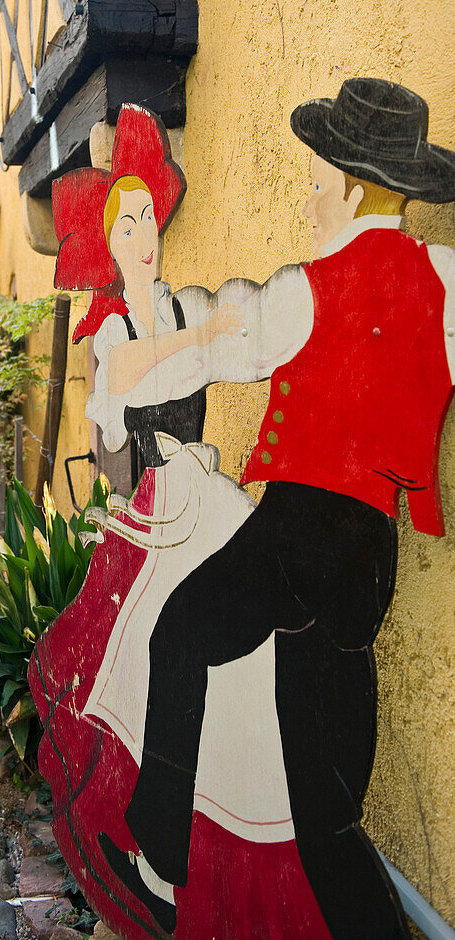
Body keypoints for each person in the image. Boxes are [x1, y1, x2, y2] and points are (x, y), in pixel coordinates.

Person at [93, 79, 455, 939]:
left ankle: (159, 870)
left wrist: (137, 368)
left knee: (177, 636)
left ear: (354, 187)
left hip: (294, 532)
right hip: (370, 548)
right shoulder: (443, 280)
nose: (309, 193)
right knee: (325, 806)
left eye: (320, 179)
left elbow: (220, 342)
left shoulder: (306, 287)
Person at [30, 105, 334, 940]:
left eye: (148, 218)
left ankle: (234, 865)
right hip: (159, 505)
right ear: (109, 243)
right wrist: (199, 332)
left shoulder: (182, 304)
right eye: (126, 225)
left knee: (245, 674)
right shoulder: (115, 332)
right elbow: (127, 374)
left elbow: (243, 343)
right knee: (151, 664)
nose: (144, 234)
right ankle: (157, 860)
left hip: (210, 495)